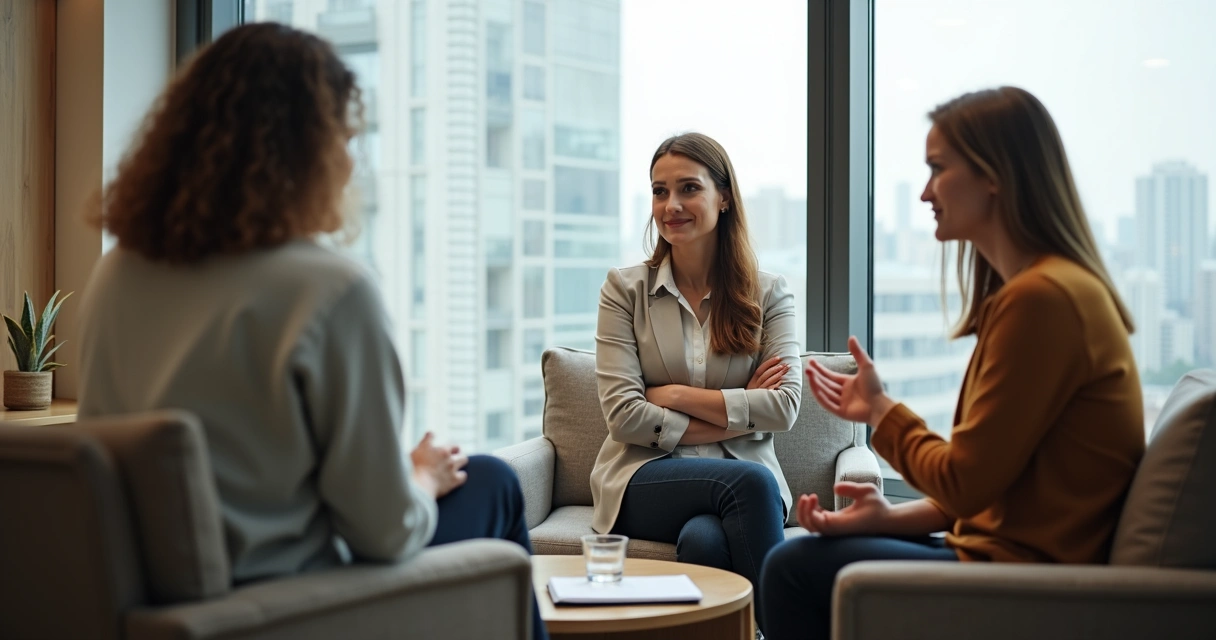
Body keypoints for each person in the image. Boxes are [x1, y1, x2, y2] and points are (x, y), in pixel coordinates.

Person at [75, 23, 547, 640]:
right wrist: (420, 478)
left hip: (157, 605)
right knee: (493, 481)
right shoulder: (329, 289)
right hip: (293, 605)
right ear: (301, 149)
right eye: (346, 138)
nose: (354, 160)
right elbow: (385, 533)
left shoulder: (116, 274)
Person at [758, 86, 1146, 640]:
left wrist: (881, 411)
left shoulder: (1043, 300)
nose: (924, 192)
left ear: (994, 175)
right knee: (804, 553)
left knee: (790, 569)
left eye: (938, 168)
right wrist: (890, 517)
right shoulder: (1048, 292)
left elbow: (964, 483)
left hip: (1026, 579)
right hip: (1006, 553)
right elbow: (989, 486)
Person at [592, 132, 802, 604]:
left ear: (724, 197)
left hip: (737, 479)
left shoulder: (770, 294)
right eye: (659, 190)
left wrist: (673, 396)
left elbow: (785, 407)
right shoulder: (624, 290)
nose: (671, 205)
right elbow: (624, 417)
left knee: (704, 541)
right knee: (751, 484)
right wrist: (738, 409)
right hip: (643, 478)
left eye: (689, 188)